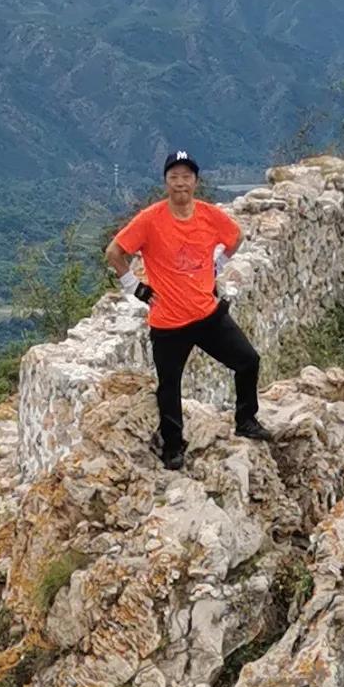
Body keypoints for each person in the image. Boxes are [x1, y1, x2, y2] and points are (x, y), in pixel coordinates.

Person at [106, 152, 270, 472]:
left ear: (195, 181)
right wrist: (133, 286)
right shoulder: (150, 219)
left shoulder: (209, 215)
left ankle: (246, 420)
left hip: (208, 315)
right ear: (166, 182)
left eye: (186, 177)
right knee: (170, 386)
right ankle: (172, 446)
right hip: (168, 322)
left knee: (248, 361)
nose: (180, 183)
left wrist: (217, 264)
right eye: (174, 177)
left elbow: (236, 237)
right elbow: (115, 251)